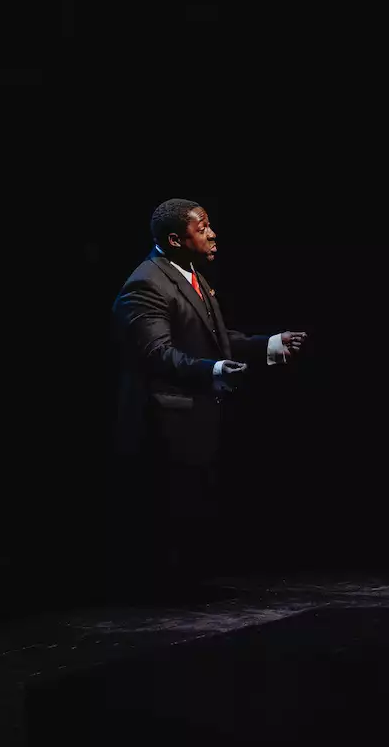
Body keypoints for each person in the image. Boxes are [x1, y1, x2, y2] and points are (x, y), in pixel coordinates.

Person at [109, 198, 307, 596]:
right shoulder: (146, 284)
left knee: (195, 508)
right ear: (175, 239)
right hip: (164, 421)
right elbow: (157, 353)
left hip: (194, 416)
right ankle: (161, 590)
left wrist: (267, 345)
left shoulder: (188, 274)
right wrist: (212, 369)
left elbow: (212, 336)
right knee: (170, 511)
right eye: (202, 229)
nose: (213, 235)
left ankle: (185, 584)